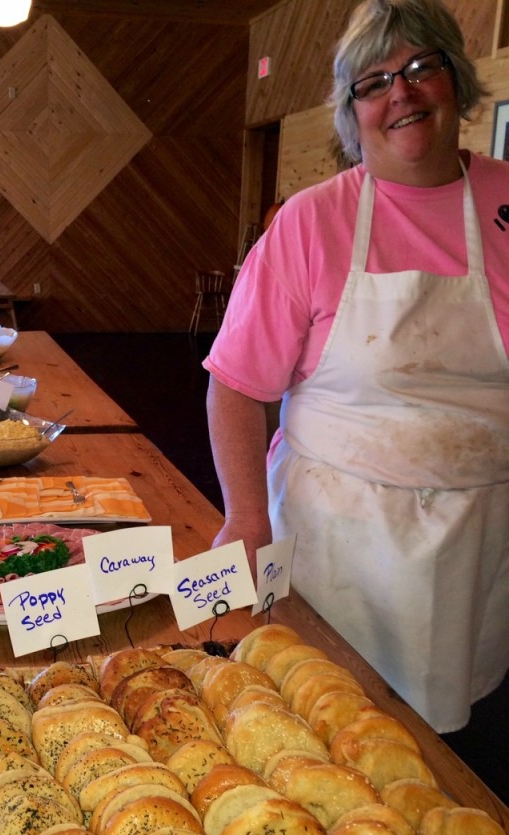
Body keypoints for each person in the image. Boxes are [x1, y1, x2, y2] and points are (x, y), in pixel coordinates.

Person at [203, 0, 509, 735]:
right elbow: (236, 387)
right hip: (336, 545)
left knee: (458, 748)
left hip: (480, 546)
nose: (399, 93)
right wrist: (245, 516)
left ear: (455, 82)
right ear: (352, 112)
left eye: (418, 67)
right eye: (373, 82)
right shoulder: (311, 223)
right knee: (321, 727)